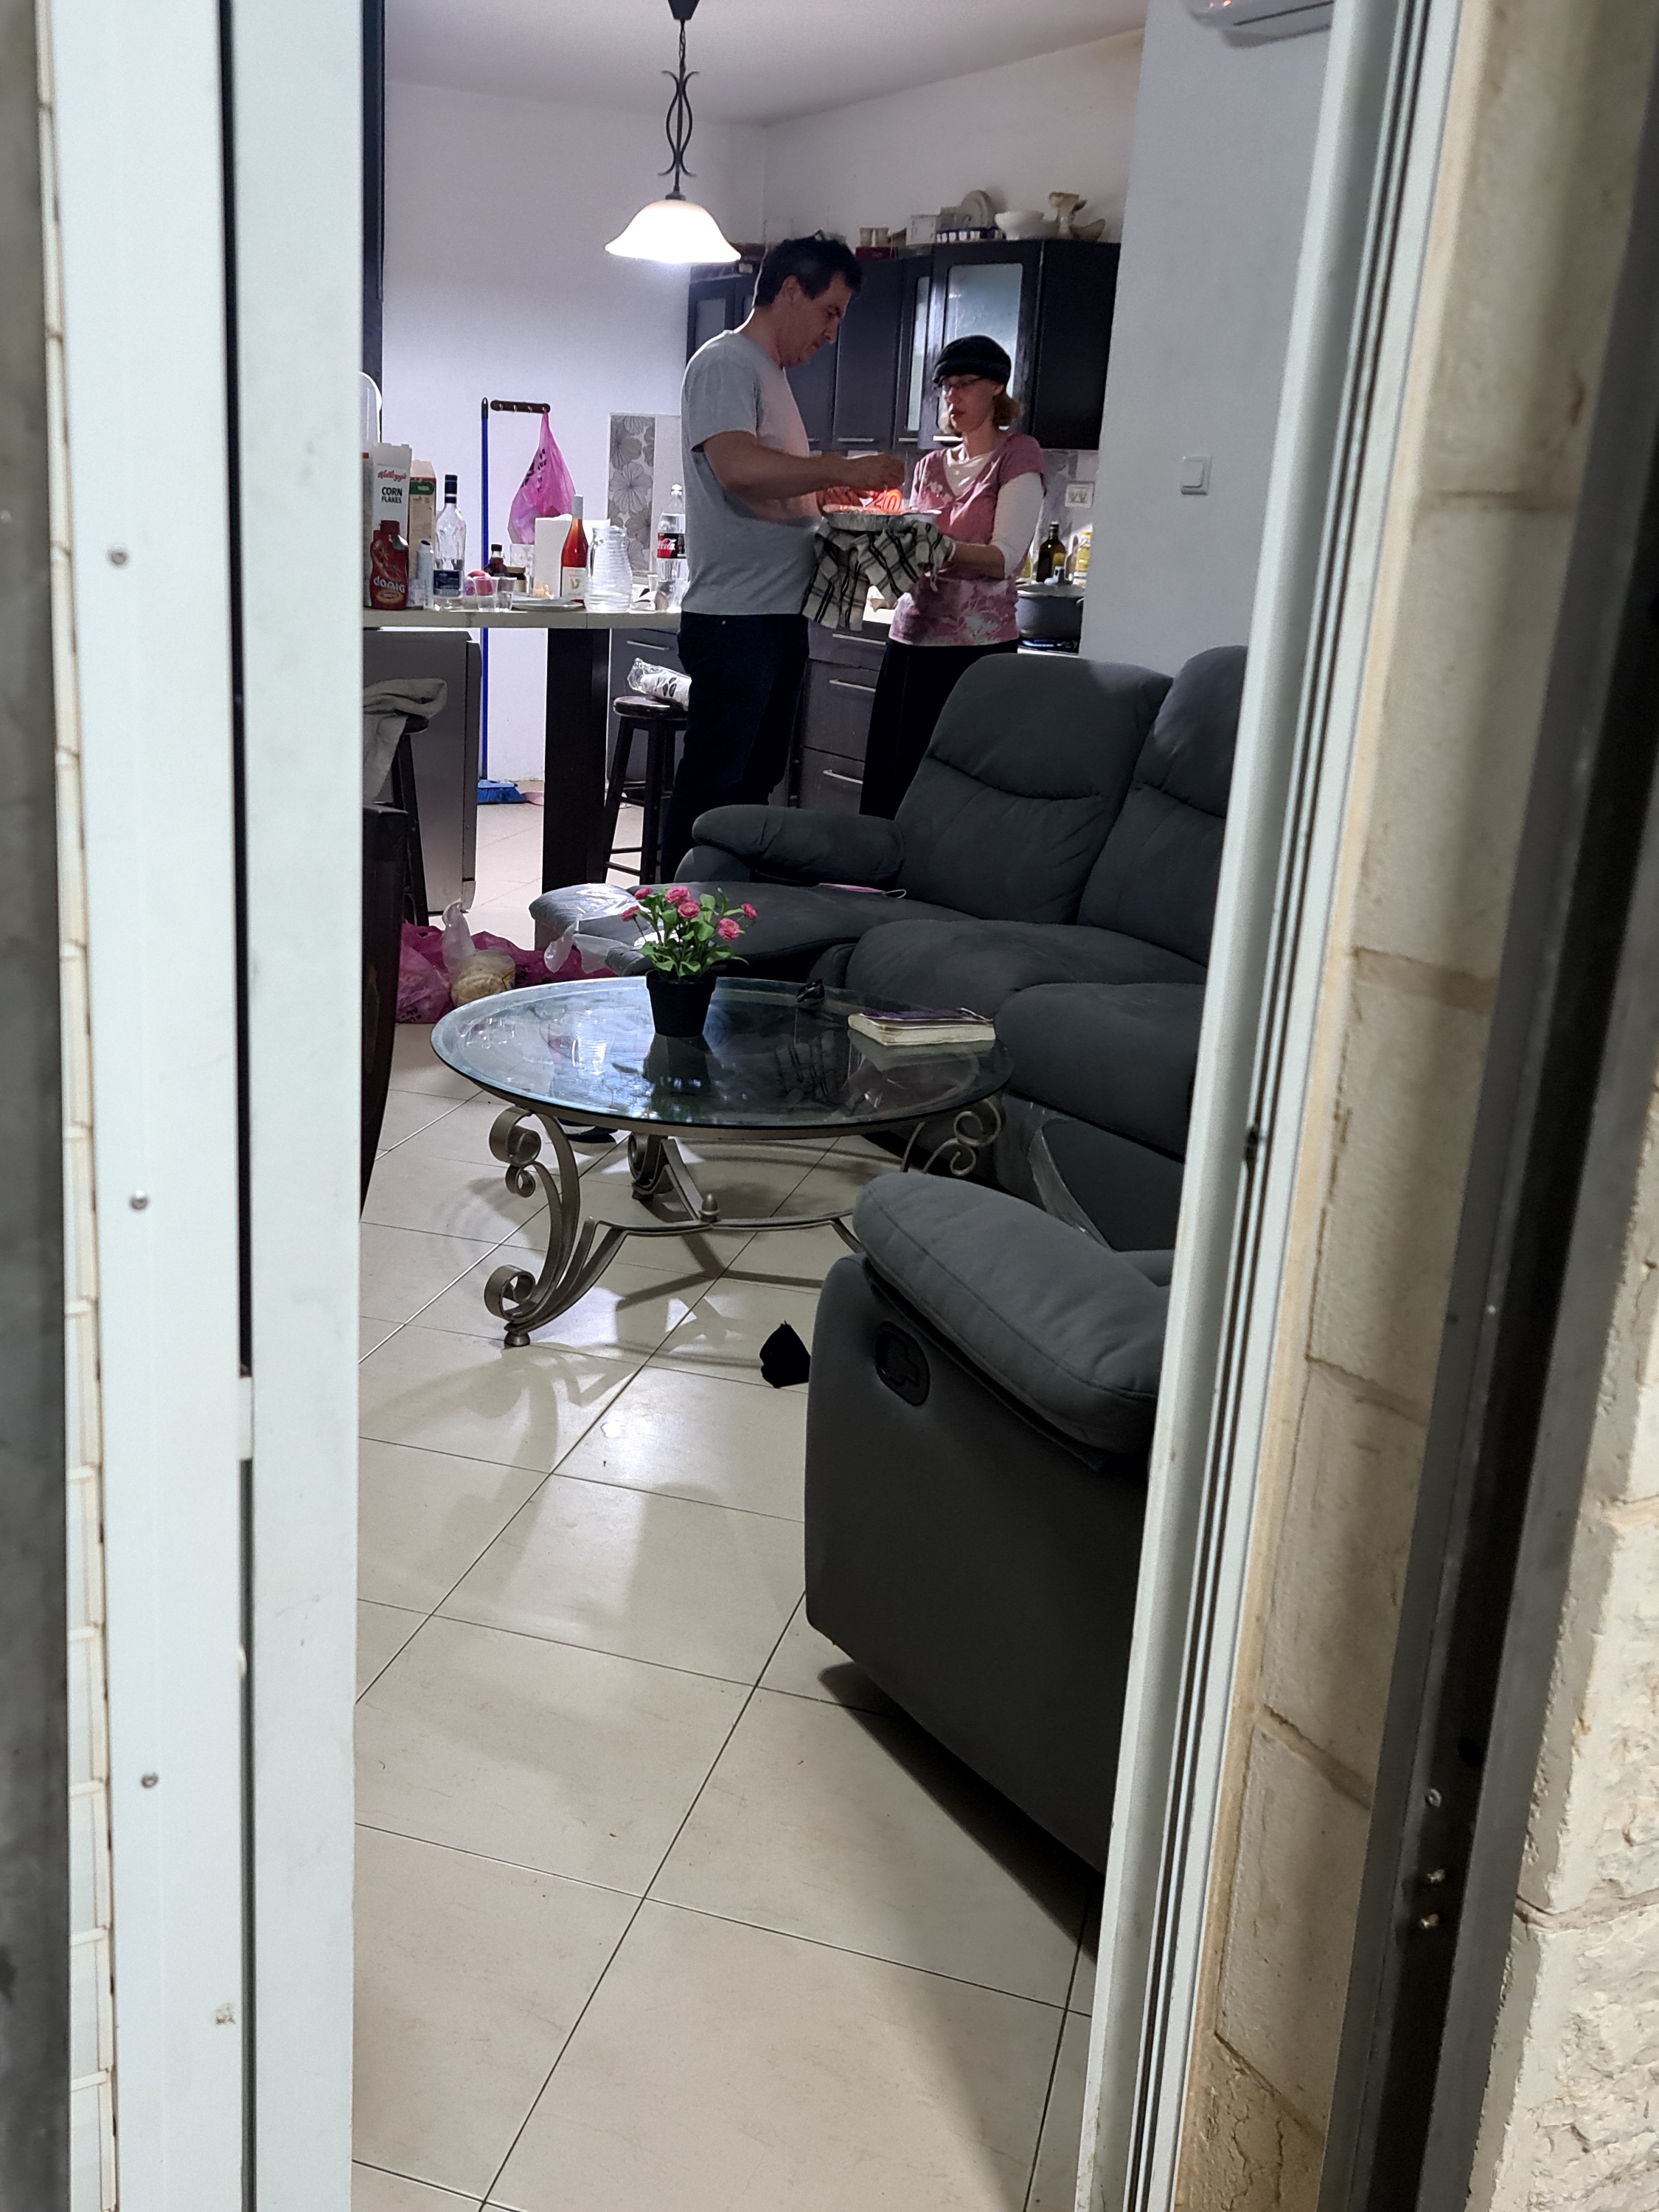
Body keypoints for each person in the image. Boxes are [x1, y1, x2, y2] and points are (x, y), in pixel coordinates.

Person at [662, 234, 905, 870]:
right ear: (791, 290)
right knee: (715, 783)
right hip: (735, 619)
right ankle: (675, 914)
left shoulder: (771, 377)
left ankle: (729, 910)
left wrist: (819, 498)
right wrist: (840, 468)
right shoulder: (726, 362)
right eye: (830, 312)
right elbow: (739, 469)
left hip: (774, 616)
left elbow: (769, 486)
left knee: (751, 783)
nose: (831, 333)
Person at [858, 335, 1046, 820]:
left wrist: (935, 546)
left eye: (964, 384)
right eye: (945, 386)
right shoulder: (929, 466)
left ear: (996, 387)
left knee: (955, 792)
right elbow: (913, 548)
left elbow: (1004, 559)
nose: (951, 396)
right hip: (911, 639)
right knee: (896, 780)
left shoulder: (1018, 456)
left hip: (975, 651)